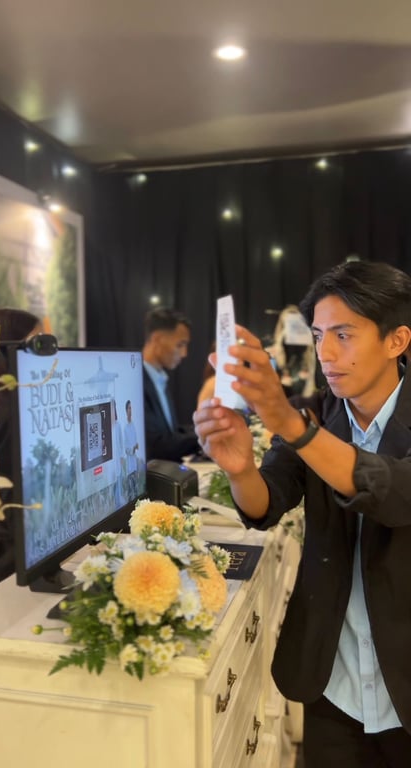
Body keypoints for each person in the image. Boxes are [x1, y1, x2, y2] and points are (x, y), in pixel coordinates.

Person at [193, 260, 411, 767]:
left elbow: (395, 493)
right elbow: (267, 502)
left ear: (397, 340)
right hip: (333, 680)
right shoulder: (318, 414)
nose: (325, 354)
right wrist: (239, 468)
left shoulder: (304, 422)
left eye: (344, 335)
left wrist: (290, 424)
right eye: (318, 335)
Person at [0, 307, 41, 593]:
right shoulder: (4, 419)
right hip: (9, 571)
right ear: (5, 353)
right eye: (37, 344)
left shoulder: (7, 410)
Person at [142, 307, 200, 461]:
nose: (184, 353)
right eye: (180, 345)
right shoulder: (136, 382)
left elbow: (170, 432)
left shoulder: (159, 379)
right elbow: (156, 445)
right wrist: (204, 436)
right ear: (157, 339)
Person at [124, 399, 139, 498]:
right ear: (126, 410)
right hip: (129, 468)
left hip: (135, 466)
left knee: (136, 493)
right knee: (130, 494)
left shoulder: (133, 426)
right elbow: (126, 449)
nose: (130, 410)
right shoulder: (125, 428)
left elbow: (135, 441)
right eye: (129, 408)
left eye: (131, 408)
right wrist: (133, 449)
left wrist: (136, 446)